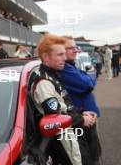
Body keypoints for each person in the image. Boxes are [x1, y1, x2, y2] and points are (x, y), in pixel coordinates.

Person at [32, 34, 95, 165]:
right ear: (45, 57)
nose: (65, 58)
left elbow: (65, 105)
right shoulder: (44, 82)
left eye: (64, 54)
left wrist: (82, 112)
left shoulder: (54, 75)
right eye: (60, 55)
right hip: (65, 143)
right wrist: (83, 119)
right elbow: (55, 119)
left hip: (73, 134)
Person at [61, 36, 102, 164]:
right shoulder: (65, 68)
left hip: (87, 114)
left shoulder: (71, 65)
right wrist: (89, 75)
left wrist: (86, 76)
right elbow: (88, 84)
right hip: (81, 119)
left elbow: (88, 81)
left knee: (94, 151)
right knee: (90, 154)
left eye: (75, 47)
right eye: (70, 48)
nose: (75, 50)